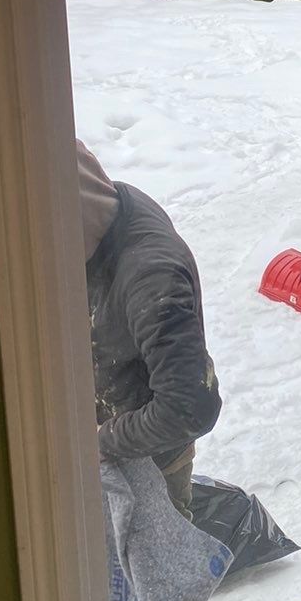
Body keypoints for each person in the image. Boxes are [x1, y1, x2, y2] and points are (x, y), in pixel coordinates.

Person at [78, 141, 221, 519]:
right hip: (104, 426)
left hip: (154, 464)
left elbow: (189, 407)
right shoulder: (105, 199)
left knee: (158, 571)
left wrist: (102, 441)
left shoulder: (151, 279)